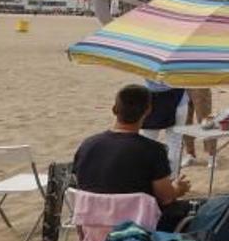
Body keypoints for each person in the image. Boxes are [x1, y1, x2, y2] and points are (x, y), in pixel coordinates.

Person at [73, 84, 191, 231]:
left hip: (93, 232)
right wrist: (177, 189)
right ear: (148, 110)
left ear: (114, 109)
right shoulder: (154, 151)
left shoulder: (87, 145)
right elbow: (166, 198)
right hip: (138, 232)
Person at [181, 88, 217, 169]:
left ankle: (212, 156)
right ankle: (190, 154)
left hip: (199, 83)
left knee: (205, 119)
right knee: (185, 120)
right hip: (182, 83)